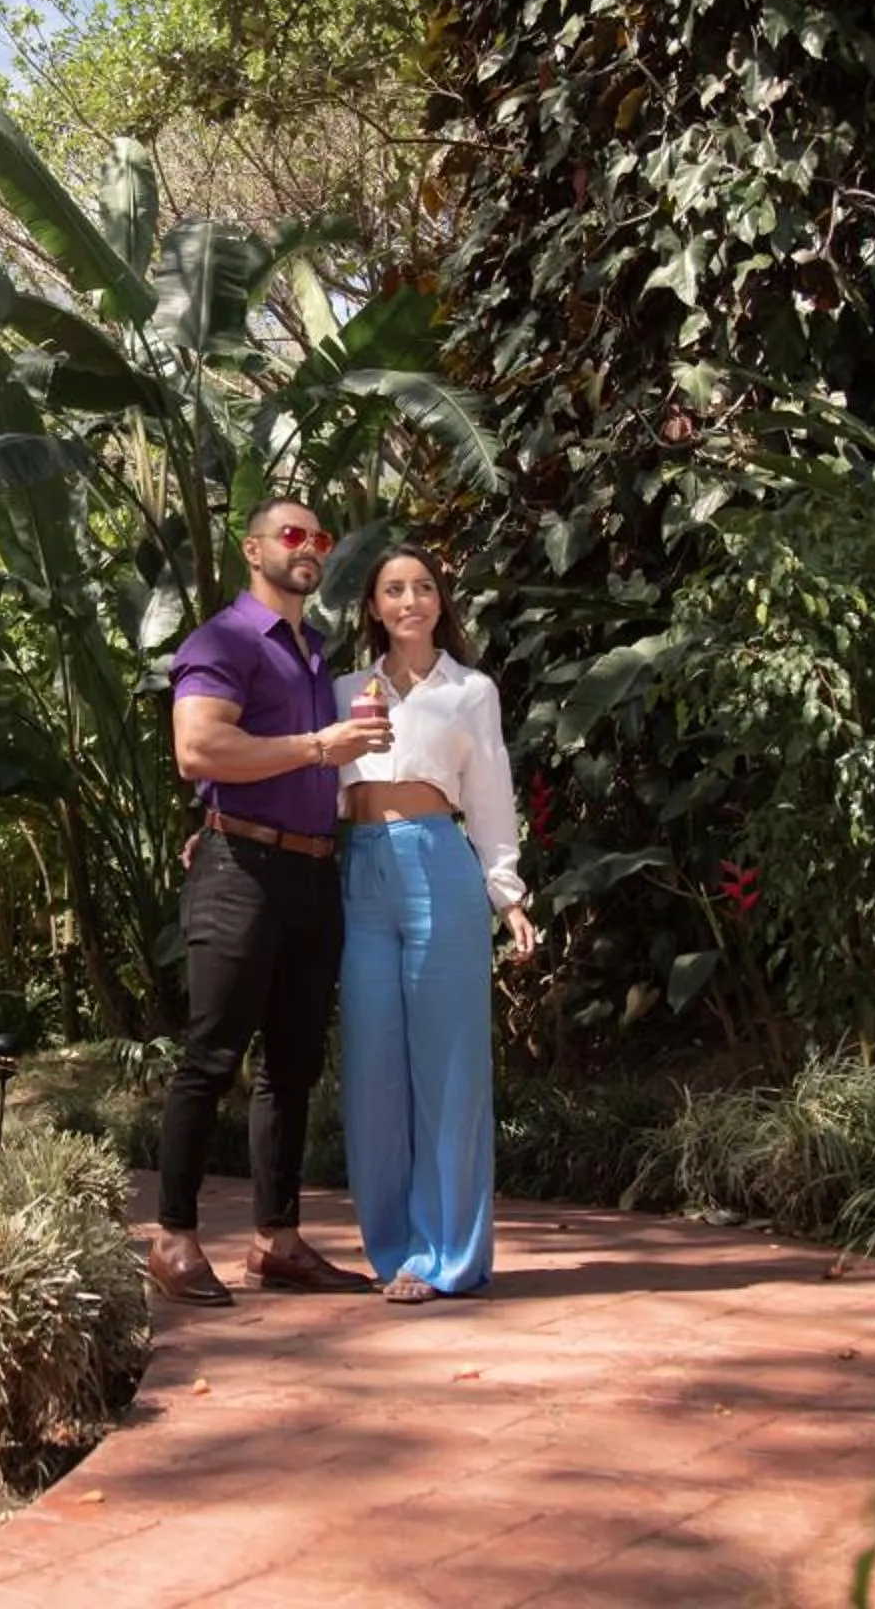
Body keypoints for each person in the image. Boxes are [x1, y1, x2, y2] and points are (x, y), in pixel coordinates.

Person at [145, 496, 393, 1307]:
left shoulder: (313, 649)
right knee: (210, 1057)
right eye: (292, 534)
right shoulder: (222, 640)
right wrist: (317, 748)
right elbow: (196, 749)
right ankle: (174, 1239)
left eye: (319, 537)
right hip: (241, 868)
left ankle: (276, 1241)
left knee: (291, 1066)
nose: (310, 547)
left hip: (313, 873)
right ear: (253, 549)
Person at [333, 544, 537, 1303]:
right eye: (394, 589)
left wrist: (506, 893)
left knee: (449, 1072)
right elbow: (312, 785)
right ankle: (394, 1250)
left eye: (423, 587)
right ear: (375, 607)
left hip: (440, 869)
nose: (410, 600)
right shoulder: (345, 689)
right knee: (374, 1071)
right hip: (360, 876)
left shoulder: (469, 691)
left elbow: (489, 794)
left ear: (440, 602)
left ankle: (447, 1253)